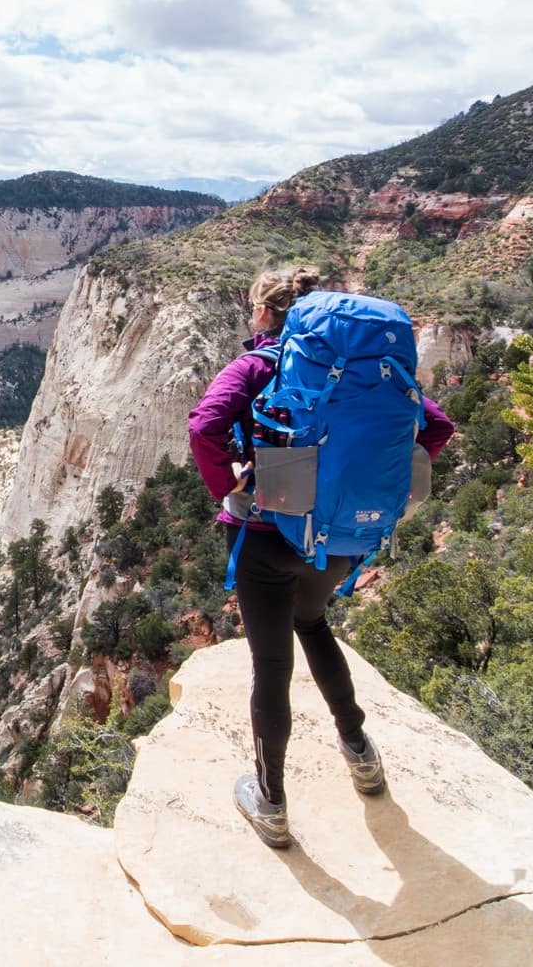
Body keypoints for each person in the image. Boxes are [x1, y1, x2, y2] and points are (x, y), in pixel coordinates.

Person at [187, 265, 455, 848]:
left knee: (271, 667)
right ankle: (361, 755)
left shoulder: (258, 365)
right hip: (341, 540)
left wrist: (230, 485)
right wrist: (380, 483)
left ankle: (271, 802)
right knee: (311, 621)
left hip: (267, 536)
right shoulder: (363, 372)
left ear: (265, 314)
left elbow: (205, 426)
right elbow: (436, 425)